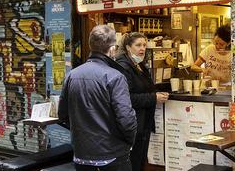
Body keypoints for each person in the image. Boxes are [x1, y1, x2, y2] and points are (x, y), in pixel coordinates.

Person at [58, 25, 137, 171]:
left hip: (81, 155)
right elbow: (126, 119)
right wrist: (128, 143)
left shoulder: (71, 75)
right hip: (113, 155)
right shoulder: (115, 77)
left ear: (90, 46)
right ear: (112, 48)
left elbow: (62, 114)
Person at [115, 33, 169, 171]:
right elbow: (127, 98)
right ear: (128, 47)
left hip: (143, 123)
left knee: (139, 161)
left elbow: (146, 87)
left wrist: (160, 91)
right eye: (138, 45)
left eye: (144, 45)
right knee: (133, 162)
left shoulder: (139, 64)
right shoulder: (124, 67)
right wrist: (153, 98)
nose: (142, 48)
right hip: (133, 124)